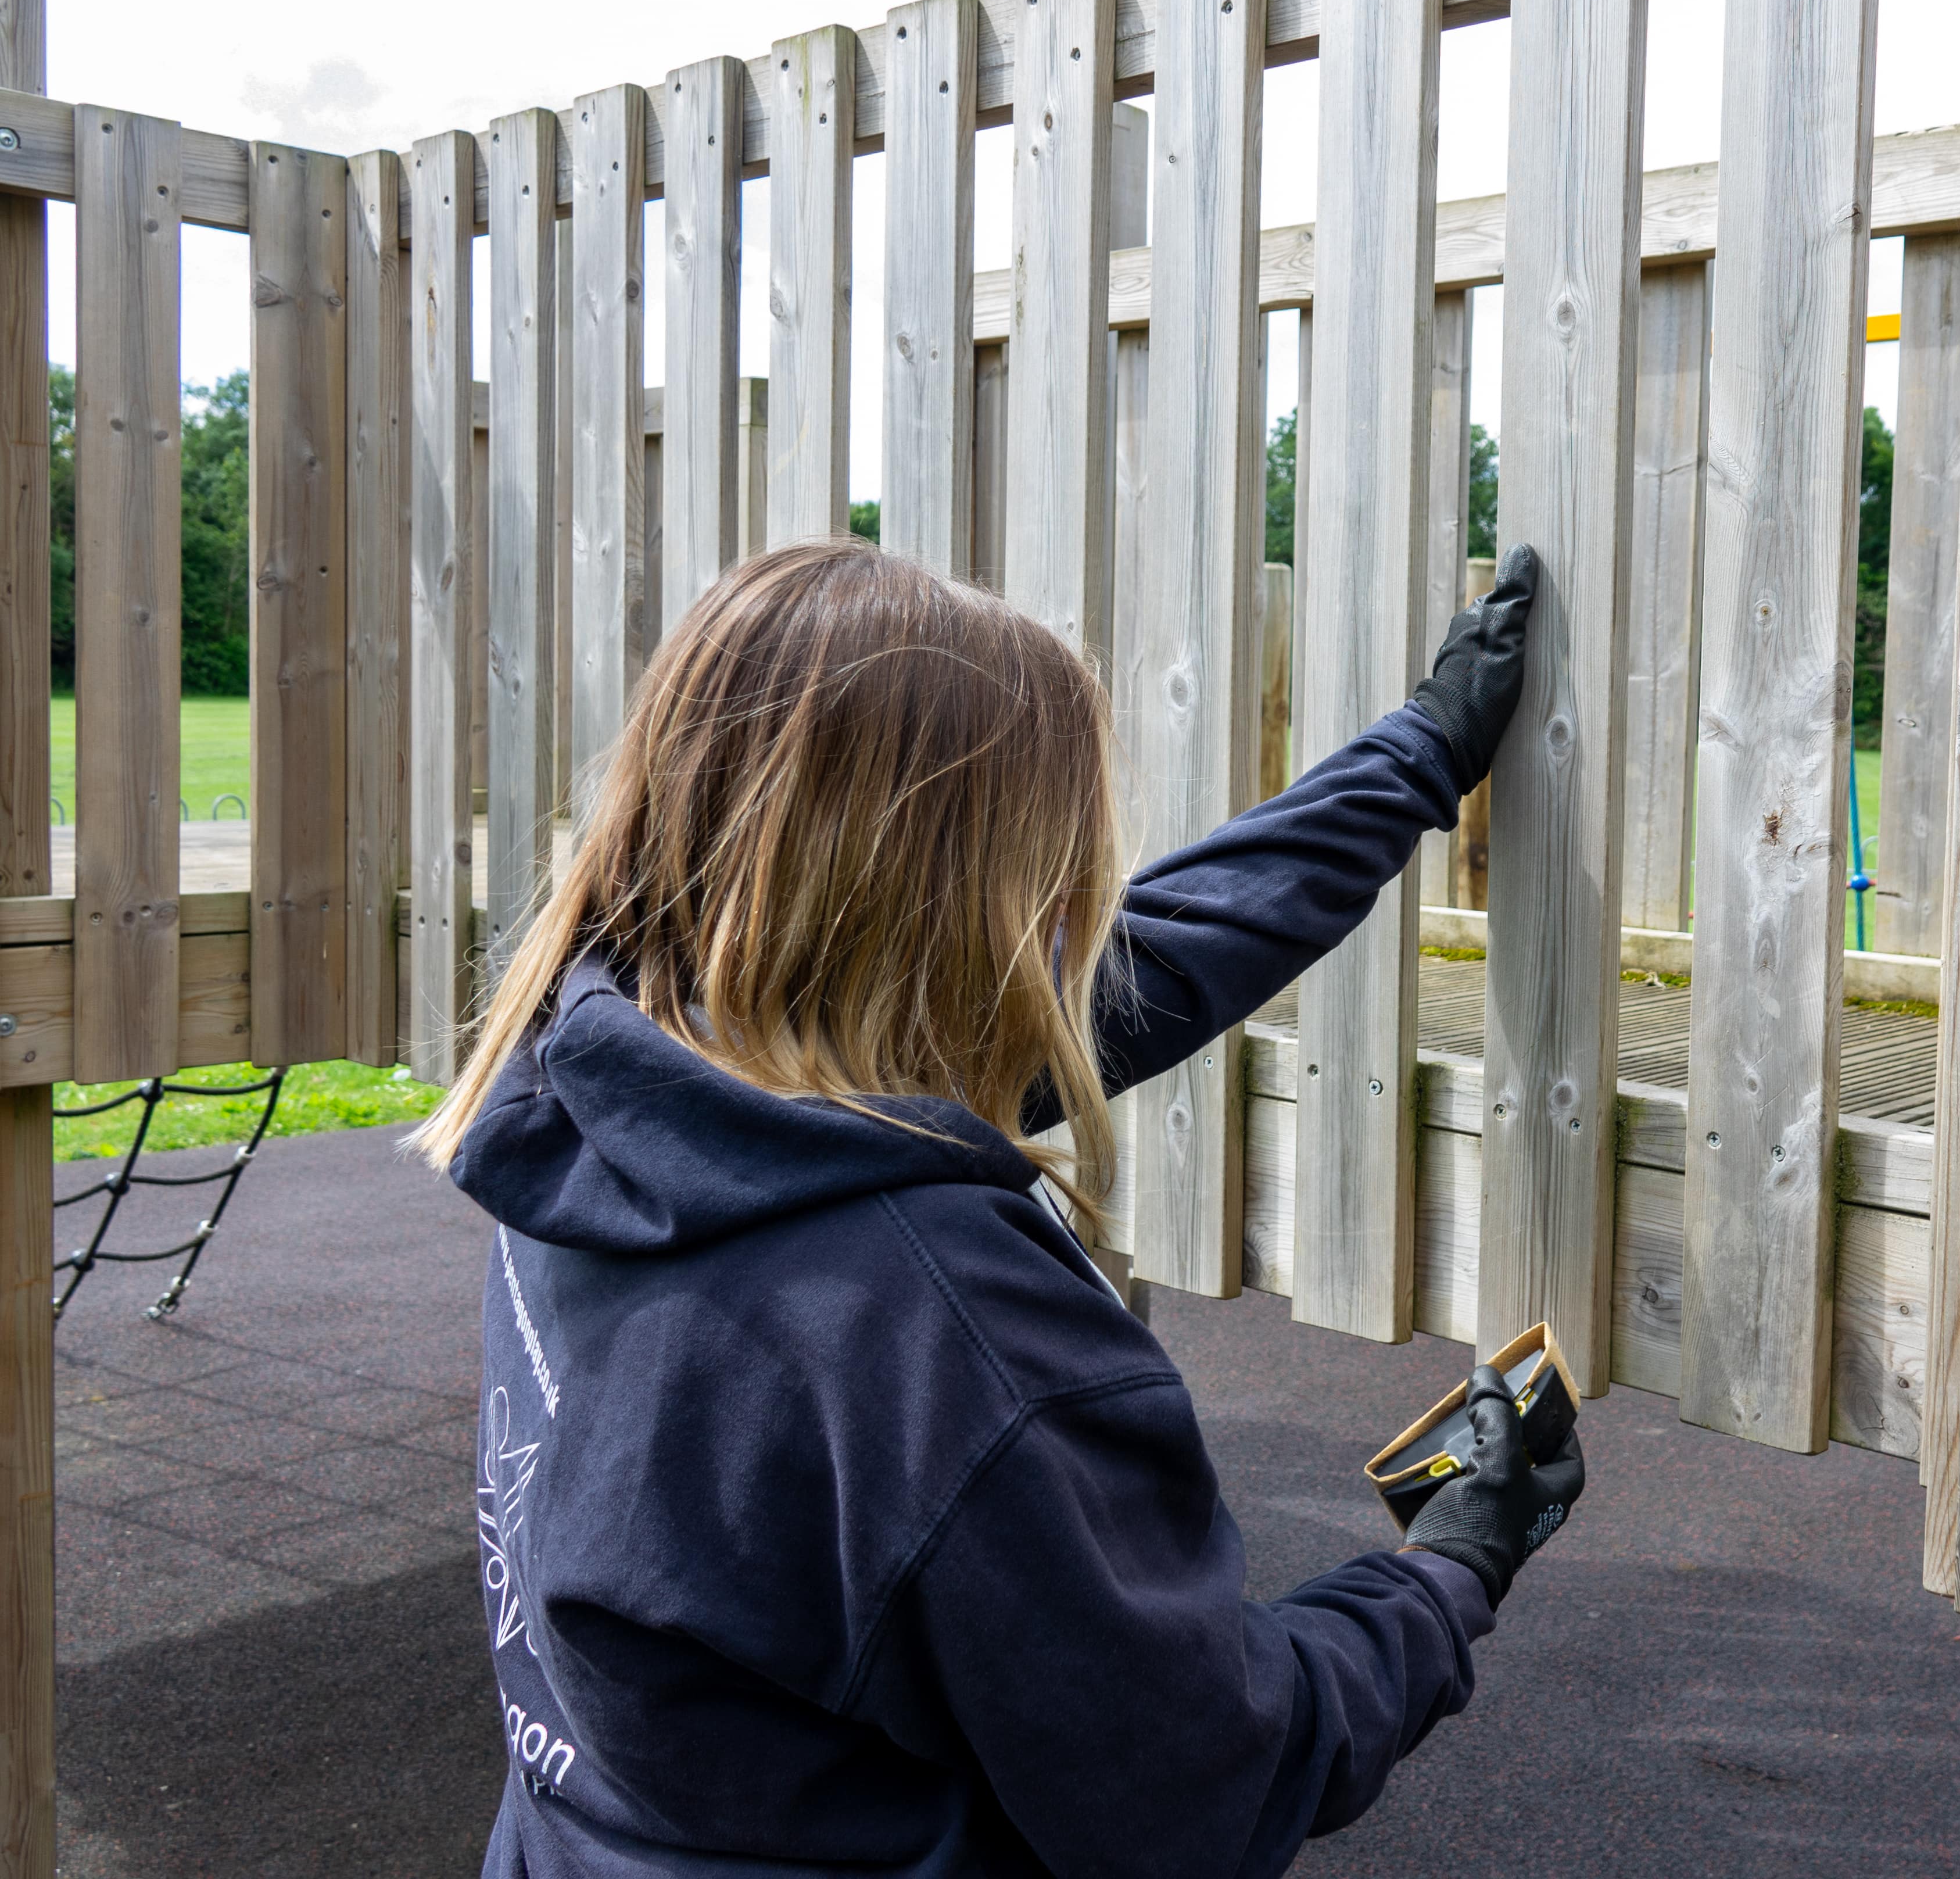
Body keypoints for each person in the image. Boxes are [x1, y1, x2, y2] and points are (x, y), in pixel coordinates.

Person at [411, 536, 1588, 1878]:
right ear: (960, 898)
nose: (1078, 904)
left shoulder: (614, 1094)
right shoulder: (938, 1332)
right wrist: (1443, 1574)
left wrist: (1417, 755)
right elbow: (1204, 1781)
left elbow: (1157, 959)